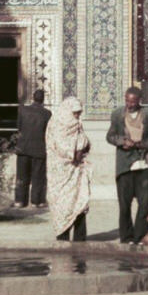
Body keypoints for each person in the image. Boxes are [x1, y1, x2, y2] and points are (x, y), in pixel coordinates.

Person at [106, 85, 148, 244]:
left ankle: (139, 236)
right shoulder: (117, 115)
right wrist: (122, 142)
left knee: (144, 204)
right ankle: (126, 237)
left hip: (144, 165)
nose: (130, 105)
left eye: (133, 102)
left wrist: (140, 145)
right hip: (125, 165)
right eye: (127, 101)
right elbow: (110, 136)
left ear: (139, 101)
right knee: (124, 205)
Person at [46, 96, 91, 241]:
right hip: (60, 174)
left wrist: (82, 148)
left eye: (79, 113)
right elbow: (60, 146)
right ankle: (63, 238)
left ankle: (80, 239)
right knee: (63, 206)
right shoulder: (56, 125)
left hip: (76, 174)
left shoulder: (77, 125)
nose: (78, 116)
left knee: (79, 203)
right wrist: (74, 151)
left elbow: (85, 142)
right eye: (75, 113)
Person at [13, 88, 51, 207]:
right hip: (39, 149)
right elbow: (48, 132)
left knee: (21, 175)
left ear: (33, 98)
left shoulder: (23, 110)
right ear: (43, 100)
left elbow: (18, 128)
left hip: (23, 147)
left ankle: (20, 201)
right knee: (38, 176)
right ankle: (37, 201)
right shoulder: (47, 113)